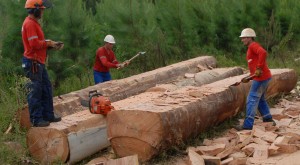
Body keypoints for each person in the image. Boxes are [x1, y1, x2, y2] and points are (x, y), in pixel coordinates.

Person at [22, 0, 64, 127]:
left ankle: (48, 115)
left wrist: (50, 44)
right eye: (41, 9)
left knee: (46, 88)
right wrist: (48, 43)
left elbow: (38, 42)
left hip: (39, 62)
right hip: (32, 62)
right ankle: (36, 119)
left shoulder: (34, 23)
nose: (43, 11)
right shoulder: (30, 24)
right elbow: (34, 44)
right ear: (35, 10)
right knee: (35, 91)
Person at [236, 28, 276, 130]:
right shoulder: (251, 47)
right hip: (263, 77)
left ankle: (248, 125)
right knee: (261, 99)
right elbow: (254, 62)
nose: (242, 40)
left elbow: (263, 53)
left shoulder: (253, 46)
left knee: (251, 99)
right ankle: (268, 118)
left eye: (244, 38)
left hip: (261, 78)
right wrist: (250, 76)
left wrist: (258, 68)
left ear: (250, 38)